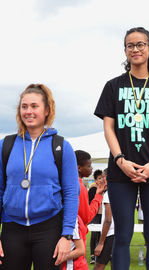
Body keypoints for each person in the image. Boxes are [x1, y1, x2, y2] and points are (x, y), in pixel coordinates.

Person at [94, 26, 149, 270]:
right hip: (121, 171)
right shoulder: (113, 86)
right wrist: (120, 159)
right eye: (130, 45)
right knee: (122, 236)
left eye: (141, 44)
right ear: (125, 50)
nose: (136, 49)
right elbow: (108, 127)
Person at [0, 84, 79, 269]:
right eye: (24, 106)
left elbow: (70, 193)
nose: (28, 111)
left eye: (34, 106)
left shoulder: (62, 146)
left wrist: (67, 236)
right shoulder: (6, 145)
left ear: (47, 110)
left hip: (49, 228)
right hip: (12, 228)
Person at [94, 184, 115, 270]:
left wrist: (101, 243)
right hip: (120, 234)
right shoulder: (121, 193)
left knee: (99, 266)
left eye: (102, 178)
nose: (100, 181)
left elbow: (108, 221)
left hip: (110, 235)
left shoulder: (108, 194)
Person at [88, 169, 104, 264]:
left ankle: (101, 254)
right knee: (94, 234)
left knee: (103, 235)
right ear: (95, 180)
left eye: (102, 178)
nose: (100, 180)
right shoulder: (93, 189)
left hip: (105, 215)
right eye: (98, 178)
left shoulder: (107, 188)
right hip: (95, 214)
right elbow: (89, 202)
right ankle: (92, 255)